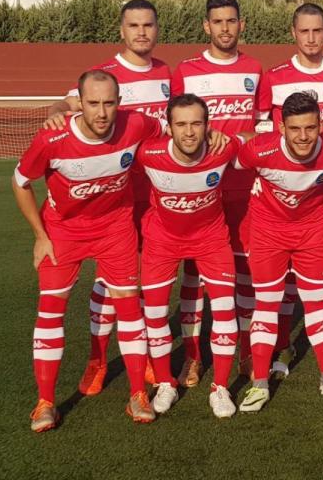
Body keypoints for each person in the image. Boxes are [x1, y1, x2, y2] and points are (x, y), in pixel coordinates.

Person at [14, 70, 162, 432]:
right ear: (78, 103)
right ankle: (45, 403)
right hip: (63, 233)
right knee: (51, 311)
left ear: (120, 103)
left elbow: (167, 134)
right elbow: (19, 181)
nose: (101, 112)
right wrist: (39, 235)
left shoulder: (137, 124)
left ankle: (136, 394)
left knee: (129, 306)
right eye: (93, 103)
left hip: (115, 229)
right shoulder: (54, 137)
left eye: (109, 103)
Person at [43, 0, 172, 395]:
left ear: (156, 29)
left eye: (148, 25)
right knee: (107, 283)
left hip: (154, 196)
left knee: (145, 282)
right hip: (112, 199)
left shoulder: (168, 74)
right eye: (133, 25)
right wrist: (52, 109)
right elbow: (66, 104)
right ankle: (97, 359)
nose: (141, 32)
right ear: (122, 30)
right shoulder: (107, 75)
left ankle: (148, 355)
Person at [236, 92, 323, 412]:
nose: (303, 136)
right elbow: (230, 159)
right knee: (267, 304)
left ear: (321, 125)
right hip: (267, 234)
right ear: (281, 127)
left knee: (316, 303)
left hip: (313, 232)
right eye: (295, 129)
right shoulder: (258, 150)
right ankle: (259, 385)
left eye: (310, 128)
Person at [255, 3, 323, 378]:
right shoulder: (275, 78)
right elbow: (262, 134)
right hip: (287, 199)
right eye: (304, 31)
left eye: (317, 31)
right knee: (285, 281)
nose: (311, 38)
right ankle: (283, 346)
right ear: (293, 33)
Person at [169, 0, 263, 387]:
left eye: (231, 21)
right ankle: (193, 357)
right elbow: (174, 127)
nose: (225, 28)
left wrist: (241, 135)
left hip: (242, 187)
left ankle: (244, 350)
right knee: (193, 275)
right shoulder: (185, 71)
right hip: (197, 191)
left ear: (241, 24)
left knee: (243, 271)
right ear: (206, 26)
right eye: (217, 22)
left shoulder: (256, 69)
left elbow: (262, 127)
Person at [137, 94, 246, 418]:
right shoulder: (148, 153)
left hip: (211, 239)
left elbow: (260, 140)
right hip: (162, 240)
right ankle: (166, 383)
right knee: (155, 315)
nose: (189, 132)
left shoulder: (222, 149)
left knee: (226, 310)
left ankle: (221, 388)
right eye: (181, 124)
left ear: (208, 126)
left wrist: (232, 136)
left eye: (196, 123)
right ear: (168, 128)